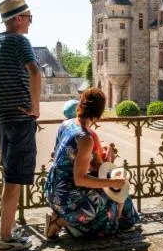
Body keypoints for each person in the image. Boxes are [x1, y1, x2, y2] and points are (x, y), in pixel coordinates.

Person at [0, 0, 41, 251]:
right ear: (18, 19)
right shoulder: (20, 42)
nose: (30, 22)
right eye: (29, 17)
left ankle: (8, 229)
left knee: (11, 175)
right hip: (18, 119)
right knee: (14, 179)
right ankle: (6, 237)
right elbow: (35, 72)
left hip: (0, 118)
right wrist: (36, 107)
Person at [44, 88, 139, 239]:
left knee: (109, 196)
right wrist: (111, 182)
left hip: (52, 189)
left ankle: (66, 220)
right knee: (112, 204)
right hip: (67, 197)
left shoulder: (66, 124)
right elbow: (80, 179)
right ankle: (62, 221)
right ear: (99, 113)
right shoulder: (85, 137)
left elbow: (63, 156)